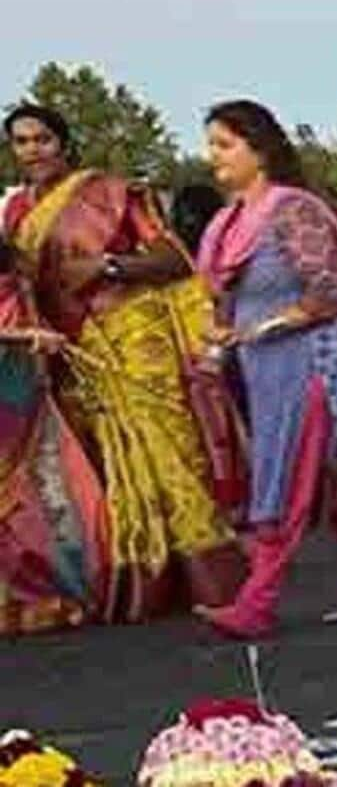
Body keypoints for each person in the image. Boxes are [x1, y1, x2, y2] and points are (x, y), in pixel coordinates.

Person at [3, 102, 244, 620]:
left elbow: (174, 259)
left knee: (164, 455)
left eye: (41, 139)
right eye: (20, 142)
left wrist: (107, 264)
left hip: (130, 336)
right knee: (99, 467)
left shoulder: (108, 191)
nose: (32, 151)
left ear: (63, 142)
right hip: (65, 347)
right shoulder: (16, 212)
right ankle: (133, 583)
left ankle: (207, 581)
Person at [192, 100, 337, 638]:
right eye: (211, 144)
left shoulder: (295, 210)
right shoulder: (227, 224)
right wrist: (222, 338)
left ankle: (256, 604)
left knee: (286, 479)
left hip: (316, 366)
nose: (212, 156)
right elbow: (224, 302)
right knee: (326, 488)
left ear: (260, 149)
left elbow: (326, 294)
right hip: (263, 371)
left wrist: (264, 327)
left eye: (224, 144)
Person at [0, 240, 108, 635]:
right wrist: (24, 337)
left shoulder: (17, 272)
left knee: (36, 492)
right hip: (14, 391)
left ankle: (39, 594)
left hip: (20, 394)